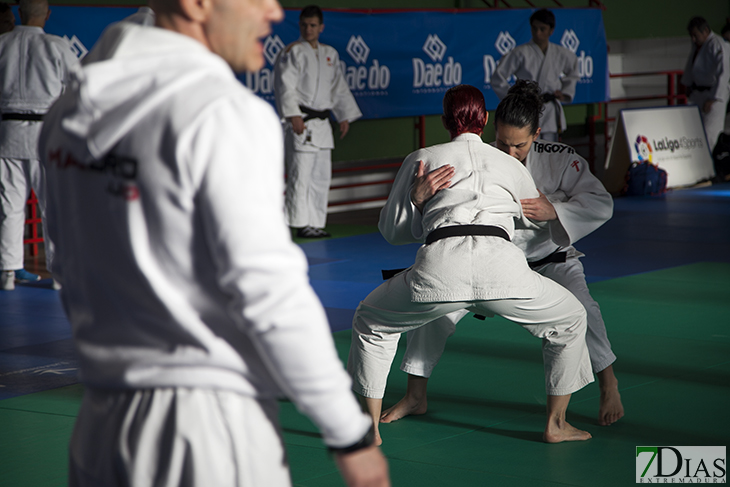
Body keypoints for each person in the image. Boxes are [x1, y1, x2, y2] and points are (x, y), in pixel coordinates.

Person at [38, 0, 389, 484]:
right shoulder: (221, 113)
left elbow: (65, 264)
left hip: (101, 428)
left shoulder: (68, 113)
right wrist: (348, 433)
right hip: (204, 433)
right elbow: (269, 293)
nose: (272, 12)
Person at [347, 84, 594, 447]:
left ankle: (370, 429)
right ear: (486, 121)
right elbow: (530, 220)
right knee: (571, 318)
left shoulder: (423, 158)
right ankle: (556, 424)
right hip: (505, 268)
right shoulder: (511, 164)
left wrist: (417, 200)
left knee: (371, 320)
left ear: (445, 121)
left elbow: (392, 233)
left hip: (440, 268)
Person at [0, 0, 78, 291]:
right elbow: (79, 87)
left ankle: (7, 272)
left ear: (20, 13)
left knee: (11, 206)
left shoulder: (2, 44)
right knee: (52, 207)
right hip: (47, 134)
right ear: (47, 15)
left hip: (7, 133)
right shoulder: (56, 46)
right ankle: (59, 275)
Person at [274, 4, 361, 239]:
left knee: (321, 176)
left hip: (323, 124)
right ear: (299, 25)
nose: (308, 28)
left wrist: (343, 115)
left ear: (321, 27)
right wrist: (293, 115)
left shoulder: (329, 53)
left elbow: (338, 87)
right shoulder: (294, 52)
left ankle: (315, 222)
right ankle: (300, 223)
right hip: (302, 121)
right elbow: (285, 86)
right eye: (304, 25)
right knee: (300, 175)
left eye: (313, 25)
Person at [491, 8, 579, 142]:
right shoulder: (520, 53)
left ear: (551, 30)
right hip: (527, 109)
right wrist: (514, 99)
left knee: (550, 151)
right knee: (528, 149)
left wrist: (565, 92)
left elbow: (573, 71)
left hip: (549, 109)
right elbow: (498, 77)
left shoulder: (561, 53)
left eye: (542, 29)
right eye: (534, 28)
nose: (537, 33)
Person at [681, 16, 730, 152]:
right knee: (695, 133)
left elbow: (724, 73)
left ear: (705, 31)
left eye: (695, 35)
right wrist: (688, 85)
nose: (693, 39)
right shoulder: (697, 46)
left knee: (710, 135)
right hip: (698, 93)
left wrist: (713, 98)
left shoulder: (718, 44)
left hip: (713, 96)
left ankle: (712, 169)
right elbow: (691, 66)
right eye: (691, 36)